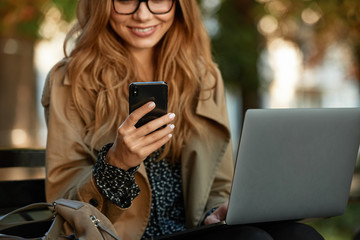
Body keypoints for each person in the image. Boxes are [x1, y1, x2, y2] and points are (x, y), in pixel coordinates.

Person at [41, 0, 324, 240]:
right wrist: (117, 163)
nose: (142, 14)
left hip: (192, 229)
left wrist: (218, 210)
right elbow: (64, 203)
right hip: (118, 235)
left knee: (302, 235)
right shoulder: (69, 80)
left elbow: (218, 185)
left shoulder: (204, 77)